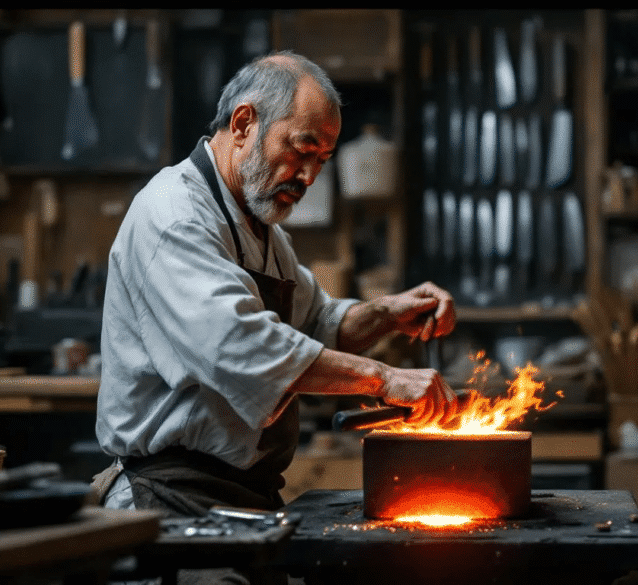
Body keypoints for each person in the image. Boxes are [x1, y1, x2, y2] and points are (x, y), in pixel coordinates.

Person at [93, 50, 459, 528]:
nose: (309, 176)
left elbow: (318, 326)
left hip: (245, 492)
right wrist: (386, 378)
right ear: (244, 123)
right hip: (171, 496)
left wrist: (389, 312)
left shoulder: (264, 232)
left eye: (322, 160)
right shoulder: (174, 216)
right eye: (301, 149)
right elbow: (242, 346)